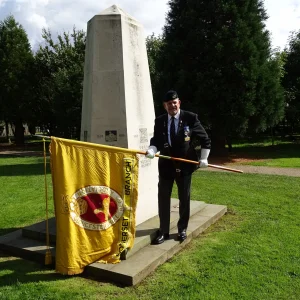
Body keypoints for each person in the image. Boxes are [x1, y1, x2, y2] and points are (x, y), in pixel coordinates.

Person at [145, 90, 211, 244]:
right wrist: (152, 150)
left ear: (179, 103)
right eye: (169, 104)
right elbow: (156, 141)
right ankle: (163, 231)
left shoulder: (190, 118)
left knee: (184, 198)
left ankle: (182, 229)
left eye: (174, 102)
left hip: (185, 165)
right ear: (165, 105)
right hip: (166, 166)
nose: (172, 106)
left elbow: (205, 139)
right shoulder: (160, 121)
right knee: (163, 198)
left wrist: (204, 158)